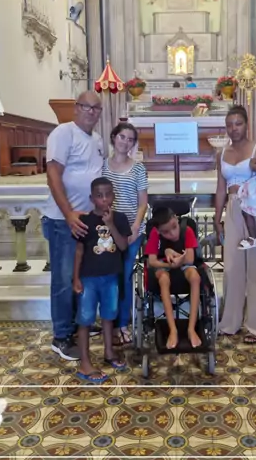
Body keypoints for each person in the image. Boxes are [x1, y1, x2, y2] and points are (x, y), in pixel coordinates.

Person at [42, 90, 103, 361]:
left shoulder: (97, 139)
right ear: (76, 108)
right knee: (64, 280)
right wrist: (68, 214)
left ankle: (80, 325)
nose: (91, 112)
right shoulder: (63, 133)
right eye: (86, 107)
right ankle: (61, 336)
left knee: (82, 276)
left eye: (96, 108)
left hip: (87, 220)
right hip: (62, 220)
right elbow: (53, 175)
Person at [214, 105, 256, 343]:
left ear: (246, 125)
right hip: (233, 208)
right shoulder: (222, 153)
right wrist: (217, 217)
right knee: (232, 266)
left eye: (238, 123)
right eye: (229, 125)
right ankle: (231, 321)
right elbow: (221, 188)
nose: (234, 128)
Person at [73, 177, 131, 382]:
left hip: (111, 277)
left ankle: (109, 352)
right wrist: (75, 278)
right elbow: (79, 251)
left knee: (108, 316)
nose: (104, 199)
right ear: (92, 198)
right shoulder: (85, 221)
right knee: (85, 319)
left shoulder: (120, 218)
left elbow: (123, 246)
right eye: (99, 195)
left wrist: (110, 224)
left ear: (113, 196)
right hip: (88, 278)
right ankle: (85, 362)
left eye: (108, 195)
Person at [102, 122, 148, 345]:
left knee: (125, 276)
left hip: (131, 231)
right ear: (113, 137)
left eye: (130, 139)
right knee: (108, 277)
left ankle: (122, 323)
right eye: (122, 137)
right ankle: (108, 324)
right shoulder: (102, 166)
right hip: (107, 231)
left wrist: (135, 228)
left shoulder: (138, 168)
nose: (125, 142)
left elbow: (142, 203)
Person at [144, 206, 202, 350]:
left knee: (195, 277)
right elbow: (152, 261)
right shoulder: (155, 234)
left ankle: (191, 328)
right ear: (159, 231)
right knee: (164, 279)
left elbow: (190, 259)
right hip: (164, 267)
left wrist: (176, 257)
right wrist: (169, 263)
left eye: (174, 227)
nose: (172, 234)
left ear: (176, 218)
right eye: (166, 232)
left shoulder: (187, 230)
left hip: (184, 265)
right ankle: (173, 330)